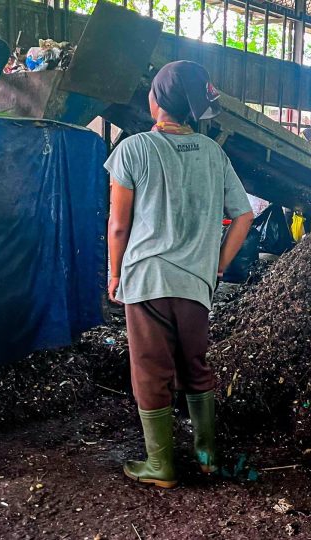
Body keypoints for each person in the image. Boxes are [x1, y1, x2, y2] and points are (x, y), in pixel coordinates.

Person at [105, 61, 254, 488]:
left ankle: (161, 465)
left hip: (147, 279)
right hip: (196, 283)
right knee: (195, 364)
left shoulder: (133, 150)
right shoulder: (214, 153)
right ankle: (207, 455)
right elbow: (242, 216)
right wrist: (218, 265)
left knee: (151, 371)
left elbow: (118, 226)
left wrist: (115, 275)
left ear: (155, 102)